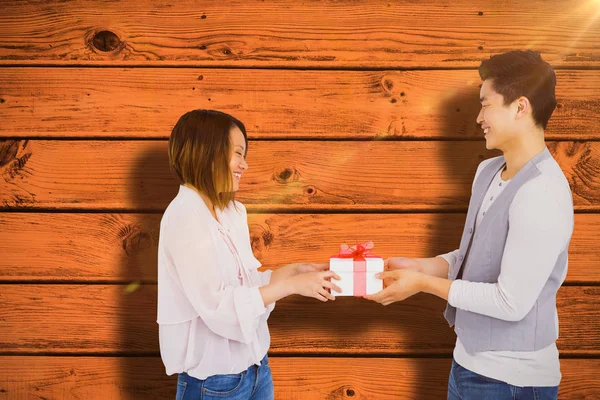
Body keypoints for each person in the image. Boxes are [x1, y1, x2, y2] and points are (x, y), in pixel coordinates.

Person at [365, 50, 573, 400]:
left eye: (485, 104)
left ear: (520, 107)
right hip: (466, 365)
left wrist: (422, 283)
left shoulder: (543, 192)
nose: (479, 117)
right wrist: (423, 265)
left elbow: (511, 302)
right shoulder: (488, 172)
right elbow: (481, 254)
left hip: (513, 381)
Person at [157, 109, 341, 399]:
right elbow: (218, 307)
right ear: (207, 150)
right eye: (238, 153)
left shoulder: (231, 212)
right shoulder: (184, 218)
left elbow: (244, 286)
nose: (244, 164)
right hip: (214, 386)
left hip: (257, 370)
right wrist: (289, 286)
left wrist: (293, 272)